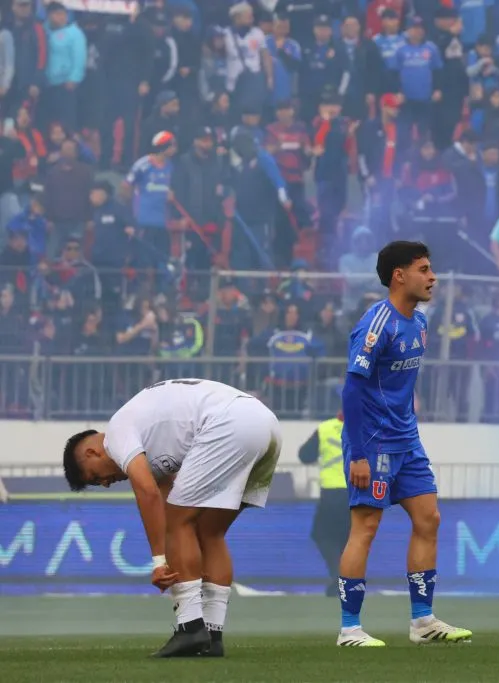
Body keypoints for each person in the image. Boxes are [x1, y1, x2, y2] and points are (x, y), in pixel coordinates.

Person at [61, 379, 283, 657]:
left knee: (180, 523)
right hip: (265, 425)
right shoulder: (146, 438)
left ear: (92, 452)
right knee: (208, 533)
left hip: (230, 424)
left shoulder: (116, 435)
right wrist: (182, 560)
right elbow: (166, 500)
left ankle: (190, 628)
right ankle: (212, 636)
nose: (105, 484)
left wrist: (159, 562)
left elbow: (148, 494)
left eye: (95, 477)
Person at [337, 240, 472, 647]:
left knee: (429, 519)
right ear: (400, 276)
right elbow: (351, 390)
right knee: (366, 527)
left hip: (407, 441)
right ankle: (349, 629)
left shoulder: (421, 323)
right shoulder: (377, 324)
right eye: (424, 269)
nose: (433, 277)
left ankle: (423, 622)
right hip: (373, 444)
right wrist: (359, 454)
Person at [297, 406, 350, 596]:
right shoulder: (368, 429)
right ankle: (347, 579)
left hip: (331, 494)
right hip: (358, 493)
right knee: (350, 539)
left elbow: (305, 456)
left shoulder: (325, 429)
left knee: (322, 536)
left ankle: (338, 577)